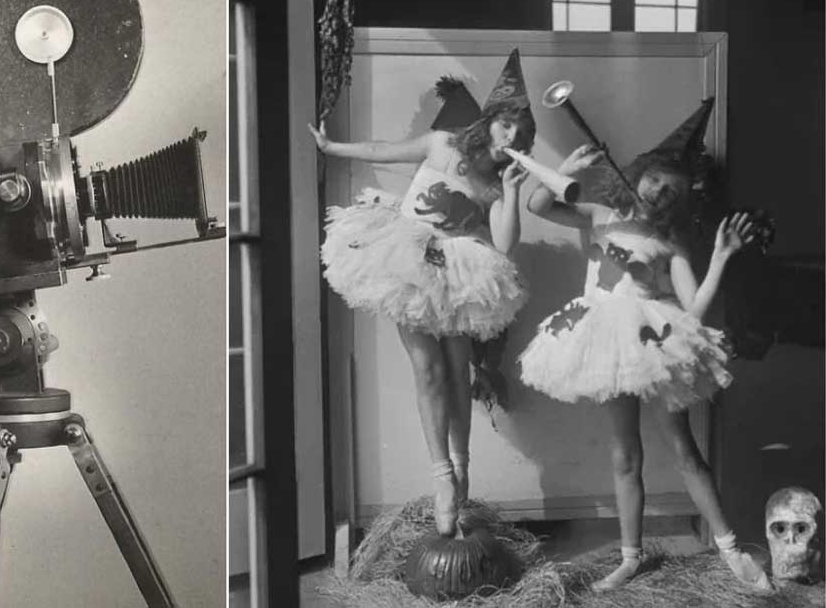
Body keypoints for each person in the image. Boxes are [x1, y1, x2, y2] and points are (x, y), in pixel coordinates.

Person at [519, 97, 772, 591]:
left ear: (680, 200)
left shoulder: (671, 243)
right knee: (624, 455)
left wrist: (721, 256)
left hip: (652, 340)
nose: (658, 192)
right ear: (638, 174)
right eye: (654, 179)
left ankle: (731, 552)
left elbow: (693, 310)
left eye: (670, 190)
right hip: (602, 339)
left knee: (685, 451)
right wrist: (565, 170)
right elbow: (539, 205)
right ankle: (630, 558)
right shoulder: (599, 215)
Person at [309, 50, 533, 536]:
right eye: (506, 126)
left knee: (457, 370)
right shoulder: (442, 143)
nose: (511, 138)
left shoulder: (495, 186)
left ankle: (462, 464)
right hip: (407, 260)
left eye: (521, 135)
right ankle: (442, 477)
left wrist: (513, 191)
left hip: (457, 272)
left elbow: (504, 243)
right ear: (489, 122)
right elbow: (382, 149)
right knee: (428, 370)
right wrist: (332, 147)